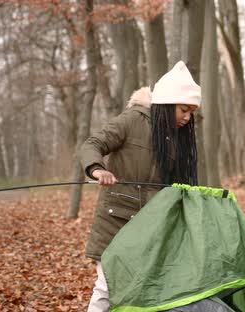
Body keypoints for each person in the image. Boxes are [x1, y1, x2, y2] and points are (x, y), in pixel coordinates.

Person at [80, 61, 200, 312]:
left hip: (149, 227)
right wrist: (97, 169)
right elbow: (93, 143)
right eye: (183, 109)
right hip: (115, 222)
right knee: (107, 286)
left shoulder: (176, 140)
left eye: (191, 112)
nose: (187, 118)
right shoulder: (132, 120)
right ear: (168, 103)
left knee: (143, 289)